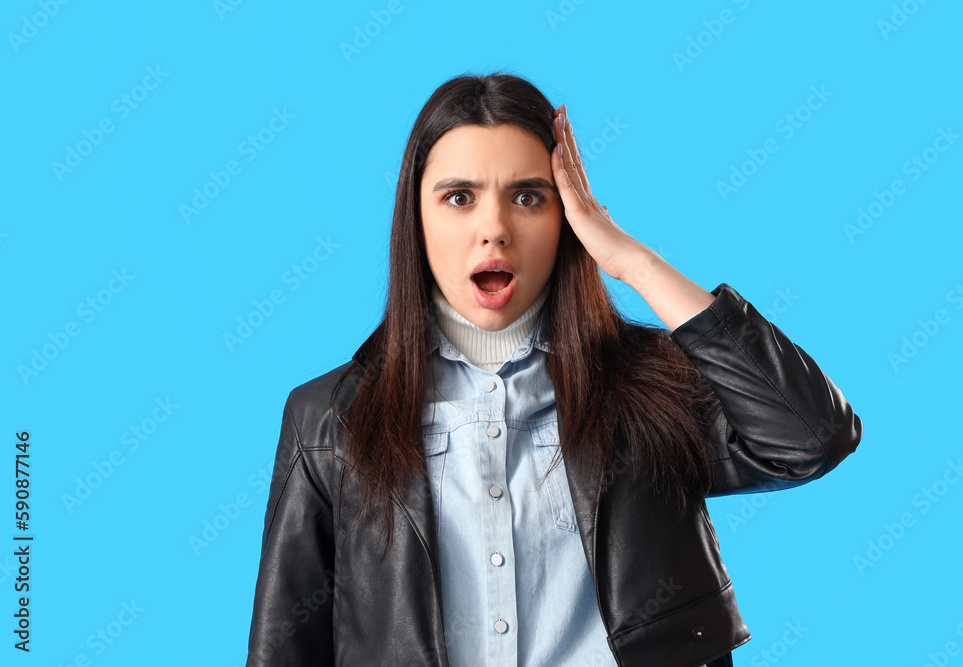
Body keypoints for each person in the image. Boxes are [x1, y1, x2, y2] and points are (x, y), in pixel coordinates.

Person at [245, 71, 863, 667]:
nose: (494, 229)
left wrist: (634, 263)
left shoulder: (648, 391)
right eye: (459, 197)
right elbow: (283, 650)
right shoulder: (326, 421)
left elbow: (810, 438)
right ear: (417, 218)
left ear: (566, 217)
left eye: (528, 197)